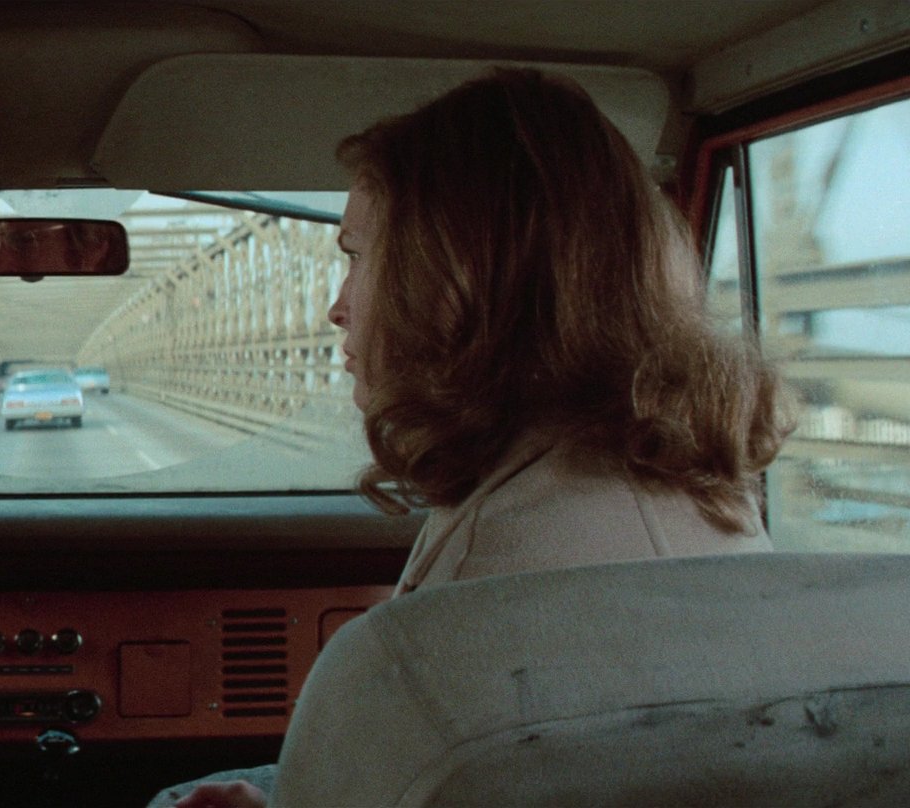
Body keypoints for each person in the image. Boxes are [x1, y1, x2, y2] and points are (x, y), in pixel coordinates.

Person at [153, 67, 789, 808]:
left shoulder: (479, 591)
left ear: (451, 281)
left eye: (357, 257)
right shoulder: (701, 492)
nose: (337, 307)